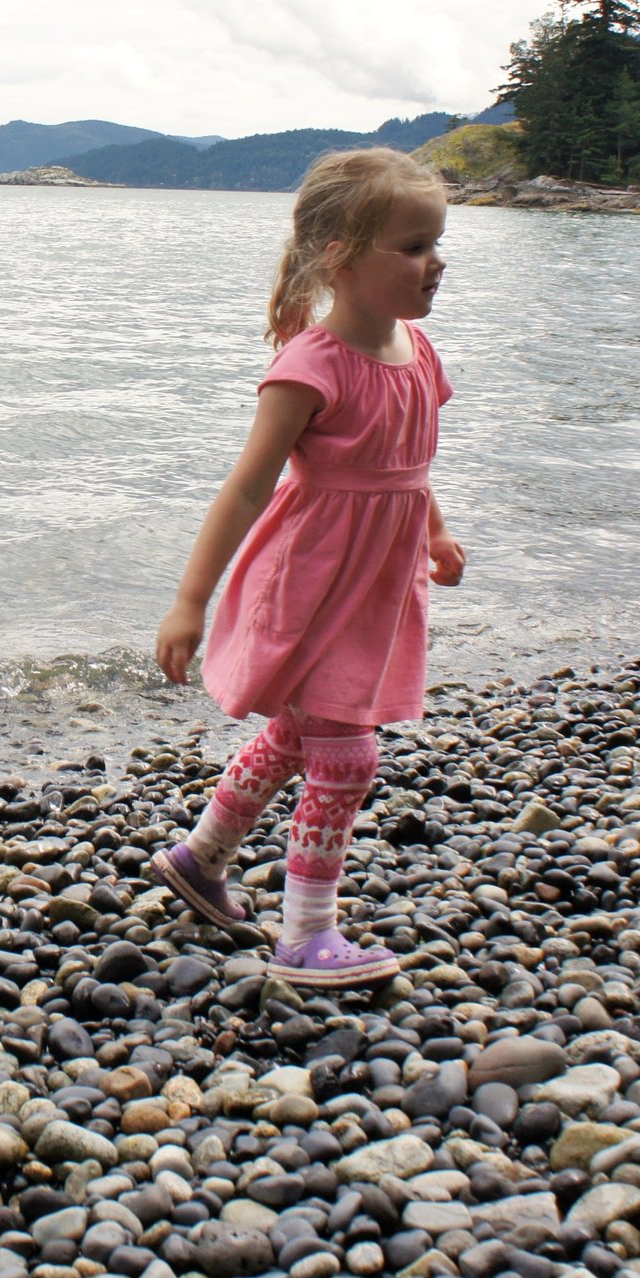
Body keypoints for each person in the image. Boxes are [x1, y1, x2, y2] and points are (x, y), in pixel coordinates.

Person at [149, 147, 465, 989]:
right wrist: (190, 601)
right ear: (343, 259)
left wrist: (434, 532)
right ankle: (306, 933)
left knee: (299, 734)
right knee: (348, 753)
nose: (435, 261)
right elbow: (248, 488)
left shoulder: (420, 353)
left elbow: (408, 464)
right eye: (413, 246)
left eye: (437, 241)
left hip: (378, 584)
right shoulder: (309, 367)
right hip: (311, 580)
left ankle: (202, 855)